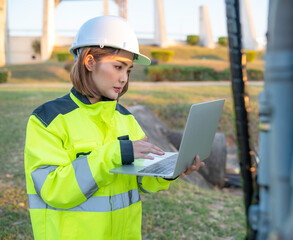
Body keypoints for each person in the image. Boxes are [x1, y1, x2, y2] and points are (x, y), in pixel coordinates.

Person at [24, 15, 204, 240]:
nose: (123, 78)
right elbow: (54, 190)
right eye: (118, 67)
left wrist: (170, 171)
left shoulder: (126, 119)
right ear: (89, 62)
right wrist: (114, 154)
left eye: (128, 71)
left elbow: (141, 179)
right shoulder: (48, 120)